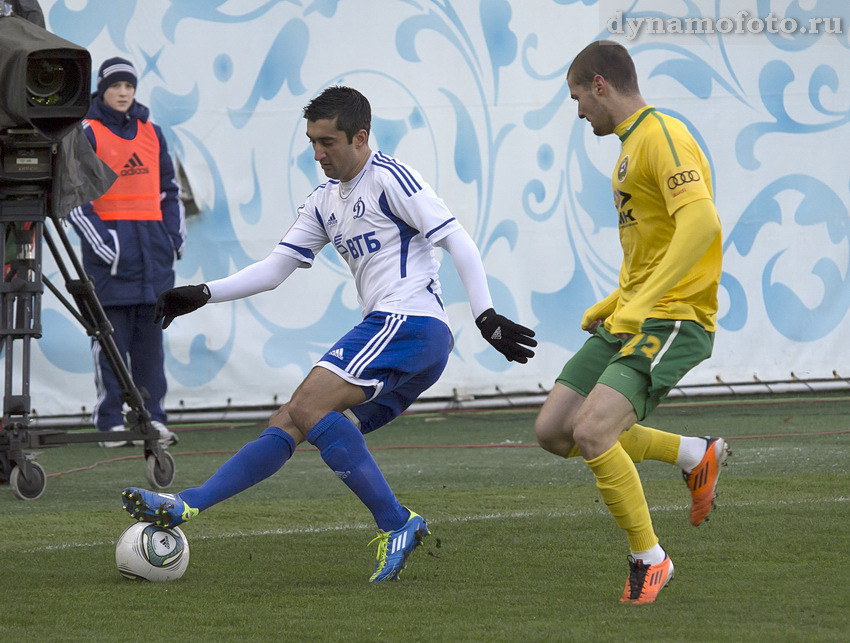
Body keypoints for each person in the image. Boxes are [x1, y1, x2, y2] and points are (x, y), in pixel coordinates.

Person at [121, 86, 537, 582]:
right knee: (293, 420)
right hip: (396, 332)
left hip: (409, 323)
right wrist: (204, 292)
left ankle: (397, 523)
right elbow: (277, 268)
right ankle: (186, 505)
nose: (317, 153)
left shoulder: (390, 177)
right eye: (312, 142)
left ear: (360, 137)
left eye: (328, 142)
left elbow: (456, 239)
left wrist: (485, 313)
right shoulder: (323, 201)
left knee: (308, 404)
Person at [533, 41, 727, 604]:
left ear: (600, 85)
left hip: (675, 317)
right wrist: (618, 297)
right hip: (637, 312)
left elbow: (702, 225)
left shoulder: (661, 134)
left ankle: (651, 559)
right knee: (554, 430)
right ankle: (694, 454)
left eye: (577, 98)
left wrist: (644, 303)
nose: (578, 113)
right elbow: (659, 242)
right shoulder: (628, 149)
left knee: (593, 431)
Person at [68, 57, 184, 447]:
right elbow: (74, 197)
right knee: (110, 344)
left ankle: (153, 419)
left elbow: (170, 191)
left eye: (129, 86)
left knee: (151, 350)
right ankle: (110, 422)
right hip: (111, 262)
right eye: (115, 85)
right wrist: (106, 247)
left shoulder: (153, 131)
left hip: (154, 256)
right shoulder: (87, 131)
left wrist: (172, 239)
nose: (122, 92)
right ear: (102, 88)